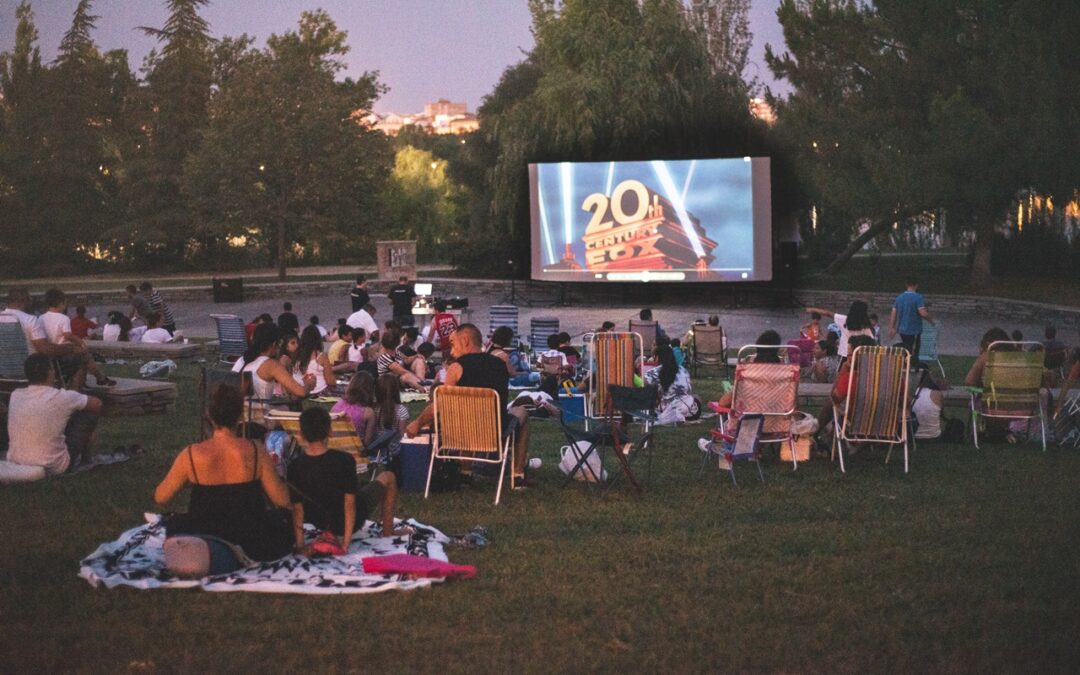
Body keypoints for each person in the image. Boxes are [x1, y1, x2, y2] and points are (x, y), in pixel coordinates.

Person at [155, 383, 293, 573]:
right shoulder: (255, 450)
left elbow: (161, 497)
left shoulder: (191, 454)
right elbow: (282, 500)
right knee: (284, 520)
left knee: (175, 523)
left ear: (209, 414)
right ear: (240, 415)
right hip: (251, 536)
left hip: (204, 531)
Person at [406, 324, 535, 488]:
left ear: (465, 340)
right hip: (495, 434)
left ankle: (466, 472)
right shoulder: (500, 365)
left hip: (460, 434)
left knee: (465, 413)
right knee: (521, 412)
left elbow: (439, 404)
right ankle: (518, 475)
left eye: (453, 344)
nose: (451, 351)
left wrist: (417, 423)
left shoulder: (456, 368)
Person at [288, 407, 409, 556]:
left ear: (302, 434)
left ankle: (328, 535)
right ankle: (388, 531)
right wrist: (345, 544)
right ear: (329, 431)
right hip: (351, 520)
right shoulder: (343, 460)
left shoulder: (294, 466)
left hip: (319, 521)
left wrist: (301, 546)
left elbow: (297, 509)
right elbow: (350, 504)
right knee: (388, 476)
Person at [6, 353, 103, 474]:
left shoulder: (16, 395)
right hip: (55, 465)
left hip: (17, 461)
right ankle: (86, 458)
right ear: (50, 372)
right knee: (88, 414)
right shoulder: (62, 397)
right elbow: (97, 404)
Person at [39, 288, 115, 388]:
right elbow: (68, 335)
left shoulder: (41, 318)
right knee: (85, 355)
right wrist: (80, 342)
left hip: (50, 353)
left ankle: (92, 380)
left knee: (83, 358)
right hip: (62, 353)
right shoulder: (63, 318)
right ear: (61, 303)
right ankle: (100, 378)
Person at [645, 344, 697, 424]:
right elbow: (689, 390)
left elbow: (645, 389)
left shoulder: (653, 373)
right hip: (690, 408)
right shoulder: (683, 370)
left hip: (667, 408)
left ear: (658, 357)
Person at [805, 301, 875, 359]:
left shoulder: (844, 320)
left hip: (844, 355)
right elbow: (873, 343)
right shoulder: (866, 327)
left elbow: (828, 313)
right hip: (859, 357)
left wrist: (812, 309)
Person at [888, 279, 933, 360]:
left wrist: (892, 327)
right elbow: (923, 313)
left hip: (902, 329)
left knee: (906, 348)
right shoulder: (918, 297)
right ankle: (912, 365)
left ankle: (905, 364)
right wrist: (931, 320)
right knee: (913, 350)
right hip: (913, 329)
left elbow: (894, 312)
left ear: (906, 285)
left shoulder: (900, 297)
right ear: (916, 285)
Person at [331, 370, 377, 445]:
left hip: (336, 448)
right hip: (356, 451)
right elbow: (367, 442)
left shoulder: (337, 405)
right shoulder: (368, 413)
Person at [372, 373, 410, 457]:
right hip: (395, 451)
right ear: (396, 390)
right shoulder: (401, 410)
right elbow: (403, 436)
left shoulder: (372, 409)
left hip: (374, 450)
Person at [293, 325, 335, 395]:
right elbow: (330, 381)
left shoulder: (295, 355)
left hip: (302, 389)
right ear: (318, 339)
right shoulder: (321, 356)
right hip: (320, 390)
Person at [911, 366, 947, 441]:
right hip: (934, 436)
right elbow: (942, 414)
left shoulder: (909, 393)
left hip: (912, 435)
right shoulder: (937, 394)